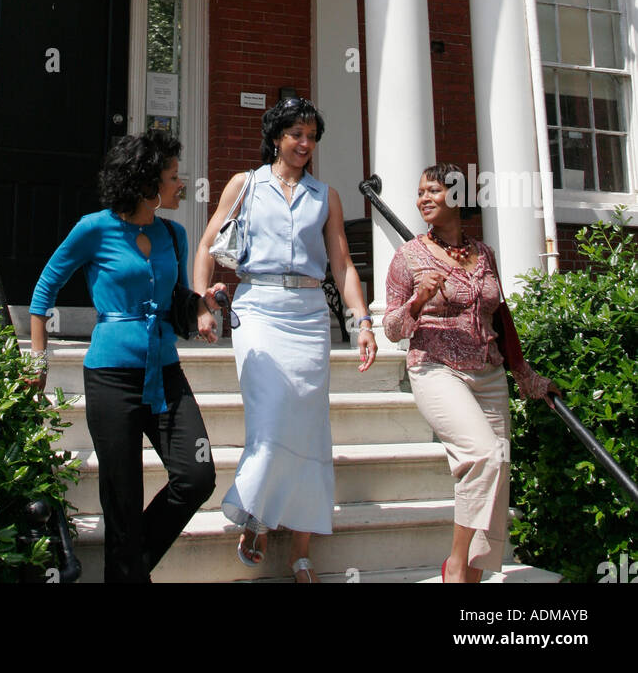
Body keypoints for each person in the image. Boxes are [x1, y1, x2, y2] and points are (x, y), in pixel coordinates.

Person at [194, 96, 376, 583]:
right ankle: (254, 512)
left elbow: (341, 265)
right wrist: (201, 303)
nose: (305, 143)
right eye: (296, 133)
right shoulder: (245, 185)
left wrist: (362, 321)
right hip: (257, 307)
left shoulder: (326, 196)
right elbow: (207, 245)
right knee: (271, 418)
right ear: (276, 137)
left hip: (310, 314)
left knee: (311, 426)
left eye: (312, 135)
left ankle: (301, 548)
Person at [29, 129, 219, 584]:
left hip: (165, 374)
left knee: (197, 476)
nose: (182, 184)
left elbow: (175, 299)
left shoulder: (174, 233)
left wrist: (202, 304)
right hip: (111, 377)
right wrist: (38, 361)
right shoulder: (94, 228)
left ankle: (126, 571)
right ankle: (129, 573)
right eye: (173, 177)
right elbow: (43, 291)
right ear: (147, 183)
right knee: (122, 499)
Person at [383, 162, 557, 584]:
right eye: (420, 191)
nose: (423, 198)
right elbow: (391, 329)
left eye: (434, 191)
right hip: (436, 368)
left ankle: (474, 575)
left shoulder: (485, 253)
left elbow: (502, 317)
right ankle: (457, 567)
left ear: (458, 197)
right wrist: (418, 301)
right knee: (482, 455)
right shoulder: (409, 257)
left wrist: (522, 372)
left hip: (489, 373)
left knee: (496, 474)